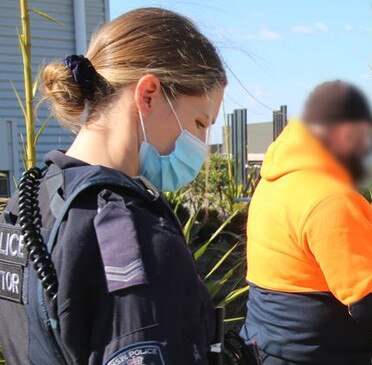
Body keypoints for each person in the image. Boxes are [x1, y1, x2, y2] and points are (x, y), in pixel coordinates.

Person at [0, 8, 226, 365]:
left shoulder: (31, 197)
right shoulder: (129, 230)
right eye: (200, 122)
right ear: (148, 94)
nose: (202, 143)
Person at [240, 80, 372, 365]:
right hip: (317, 355)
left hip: (266, 347)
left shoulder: (274, 182)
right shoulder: (330, 199)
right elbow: (370, 301)